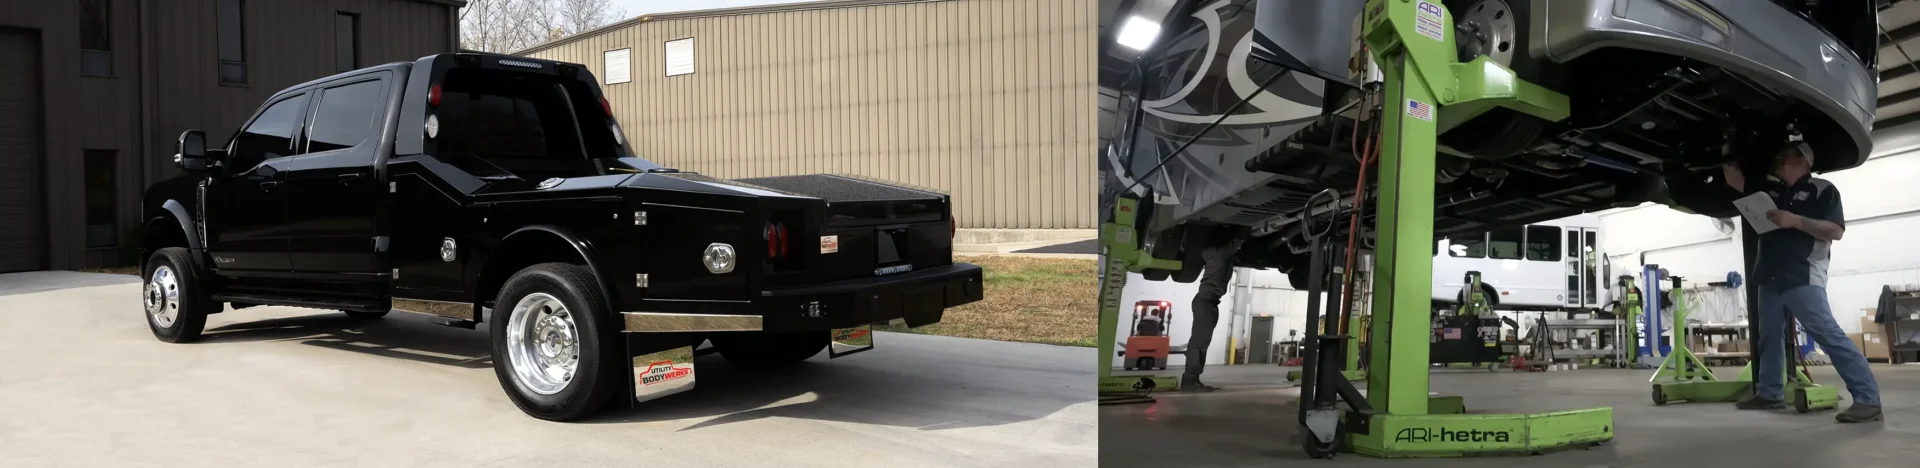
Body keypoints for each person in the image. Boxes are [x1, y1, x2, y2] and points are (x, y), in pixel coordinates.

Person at [1721, 141, 1882, 423]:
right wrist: (1725, 147)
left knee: (1827, 334)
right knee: (1769, 336)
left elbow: (1835, 230)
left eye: (1785, 156)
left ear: (1802, 160)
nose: (1779, 159)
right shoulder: (1770, 190)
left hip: (1802, 274)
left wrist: (1795, 220)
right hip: (1768, 275)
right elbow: (1736, 181)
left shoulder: (1823, 190)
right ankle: (1770, 393)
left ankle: (1868, 399)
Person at [1182, 236, 1243, 393]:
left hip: (1208, 301)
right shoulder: (1219, 253)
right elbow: (1234, 247)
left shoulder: (1217, 253)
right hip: (1206, 301)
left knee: (1201, 341)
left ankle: (1193, 379)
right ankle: (1190, 380)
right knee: (1199, 341)